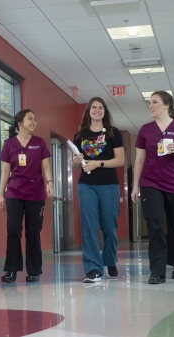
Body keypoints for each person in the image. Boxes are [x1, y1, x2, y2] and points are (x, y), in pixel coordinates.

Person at [131, 91, 174, 284]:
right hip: (151, 183)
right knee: (155, 225)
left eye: (154, 102)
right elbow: (140, 159)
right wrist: (135, 186)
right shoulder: (145, 130)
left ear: (166, 105)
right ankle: (157, 271)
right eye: (149, 103)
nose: (150, 105)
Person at [72, 97, 125, 283]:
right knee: (88, 227)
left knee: (109, 228)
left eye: (100, 107)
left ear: (104, 111)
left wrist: (98, 163)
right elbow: (77, 166)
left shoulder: (113, 133)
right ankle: (93, 269)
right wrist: (76, 162)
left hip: (109, 185)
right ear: (88, 111)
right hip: (86, 185)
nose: (97, 110)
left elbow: (120, 160)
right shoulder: (79, 136)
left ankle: (109, 260)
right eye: (93, 107)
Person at [0, 109, 54, 283]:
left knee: (32, 232)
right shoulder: (9, 144)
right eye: (30, 119)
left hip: (35, 192)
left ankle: (34, 270)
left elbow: (45, 167)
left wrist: (50, 182)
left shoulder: (40, 143)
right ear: (20, 123)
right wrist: (1, 194)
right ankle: (11, 270)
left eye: (35, 119)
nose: (34, 122)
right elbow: (5, 171)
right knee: (13, 230)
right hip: (14, 191)